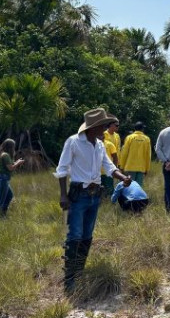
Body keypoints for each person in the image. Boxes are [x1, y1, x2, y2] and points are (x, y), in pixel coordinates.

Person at [55, 108, 132, 294]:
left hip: (94, 196)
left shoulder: (99, 145)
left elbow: (109, 166)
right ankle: (70, 280)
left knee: (87, 236)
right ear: (93, 127)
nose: (105, 128)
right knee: (74, 236)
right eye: (102, 125)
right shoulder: (73, 142)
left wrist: (122, 177)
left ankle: (79, 273)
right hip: (78, 195)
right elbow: (62, 169)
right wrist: (63, 195)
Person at [0, 138, 25, 217]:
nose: (14, 148)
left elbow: (10, 165)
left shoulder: (4, 154)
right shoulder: (5, 155)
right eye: (13, 146)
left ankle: (3, 214)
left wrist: (17, 162)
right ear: (10, 147)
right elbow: (11, 168)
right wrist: (18, 163)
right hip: (1, 178)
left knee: (9, 195)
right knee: (1, 199)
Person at [119, 121, 151, 187]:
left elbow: (124, 153)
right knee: (138, 187)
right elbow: (148, 155)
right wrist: (147, 168)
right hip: (141, 168)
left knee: (128, 186)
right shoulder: (146, 139)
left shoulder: (129, 137)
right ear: (142, 129)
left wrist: (121, 166)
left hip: (130, 166)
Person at [101, 116, 120, 198]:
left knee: (110, 185)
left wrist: (117, 165)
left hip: (112, 164)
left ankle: (110, 201)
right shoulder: (104, 134)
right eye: (116, 125)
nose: (117, 127)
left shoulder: (117, 136)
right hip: (102, 164)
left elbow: (117, 151)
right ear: (111, 125)